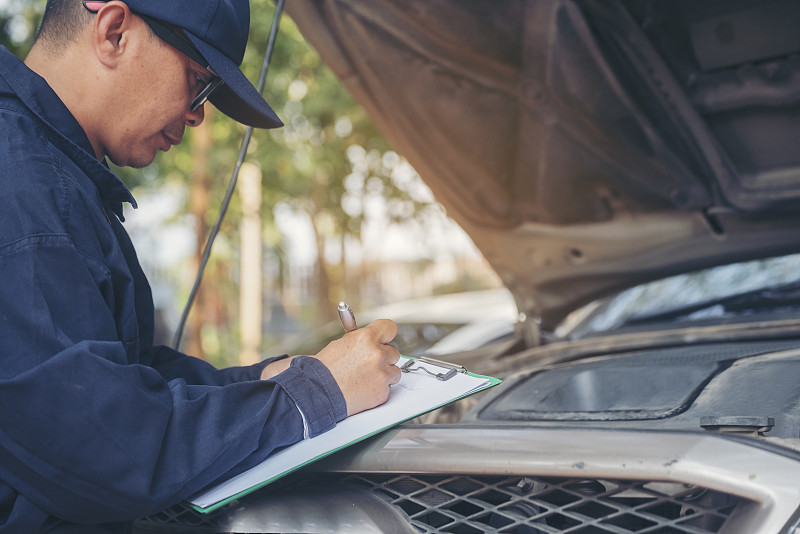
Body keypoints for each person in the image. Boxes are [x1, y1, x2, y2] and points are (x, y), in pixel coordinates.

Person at [0, 0, 402, 532]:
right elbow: (104, 447)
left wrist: (259, 379)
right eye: (199, 81)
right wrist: (313, 394)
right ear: (115, 32)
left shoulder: (50, 174)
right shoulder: (21, 183)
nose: (197, 114)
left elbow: (114, 376)